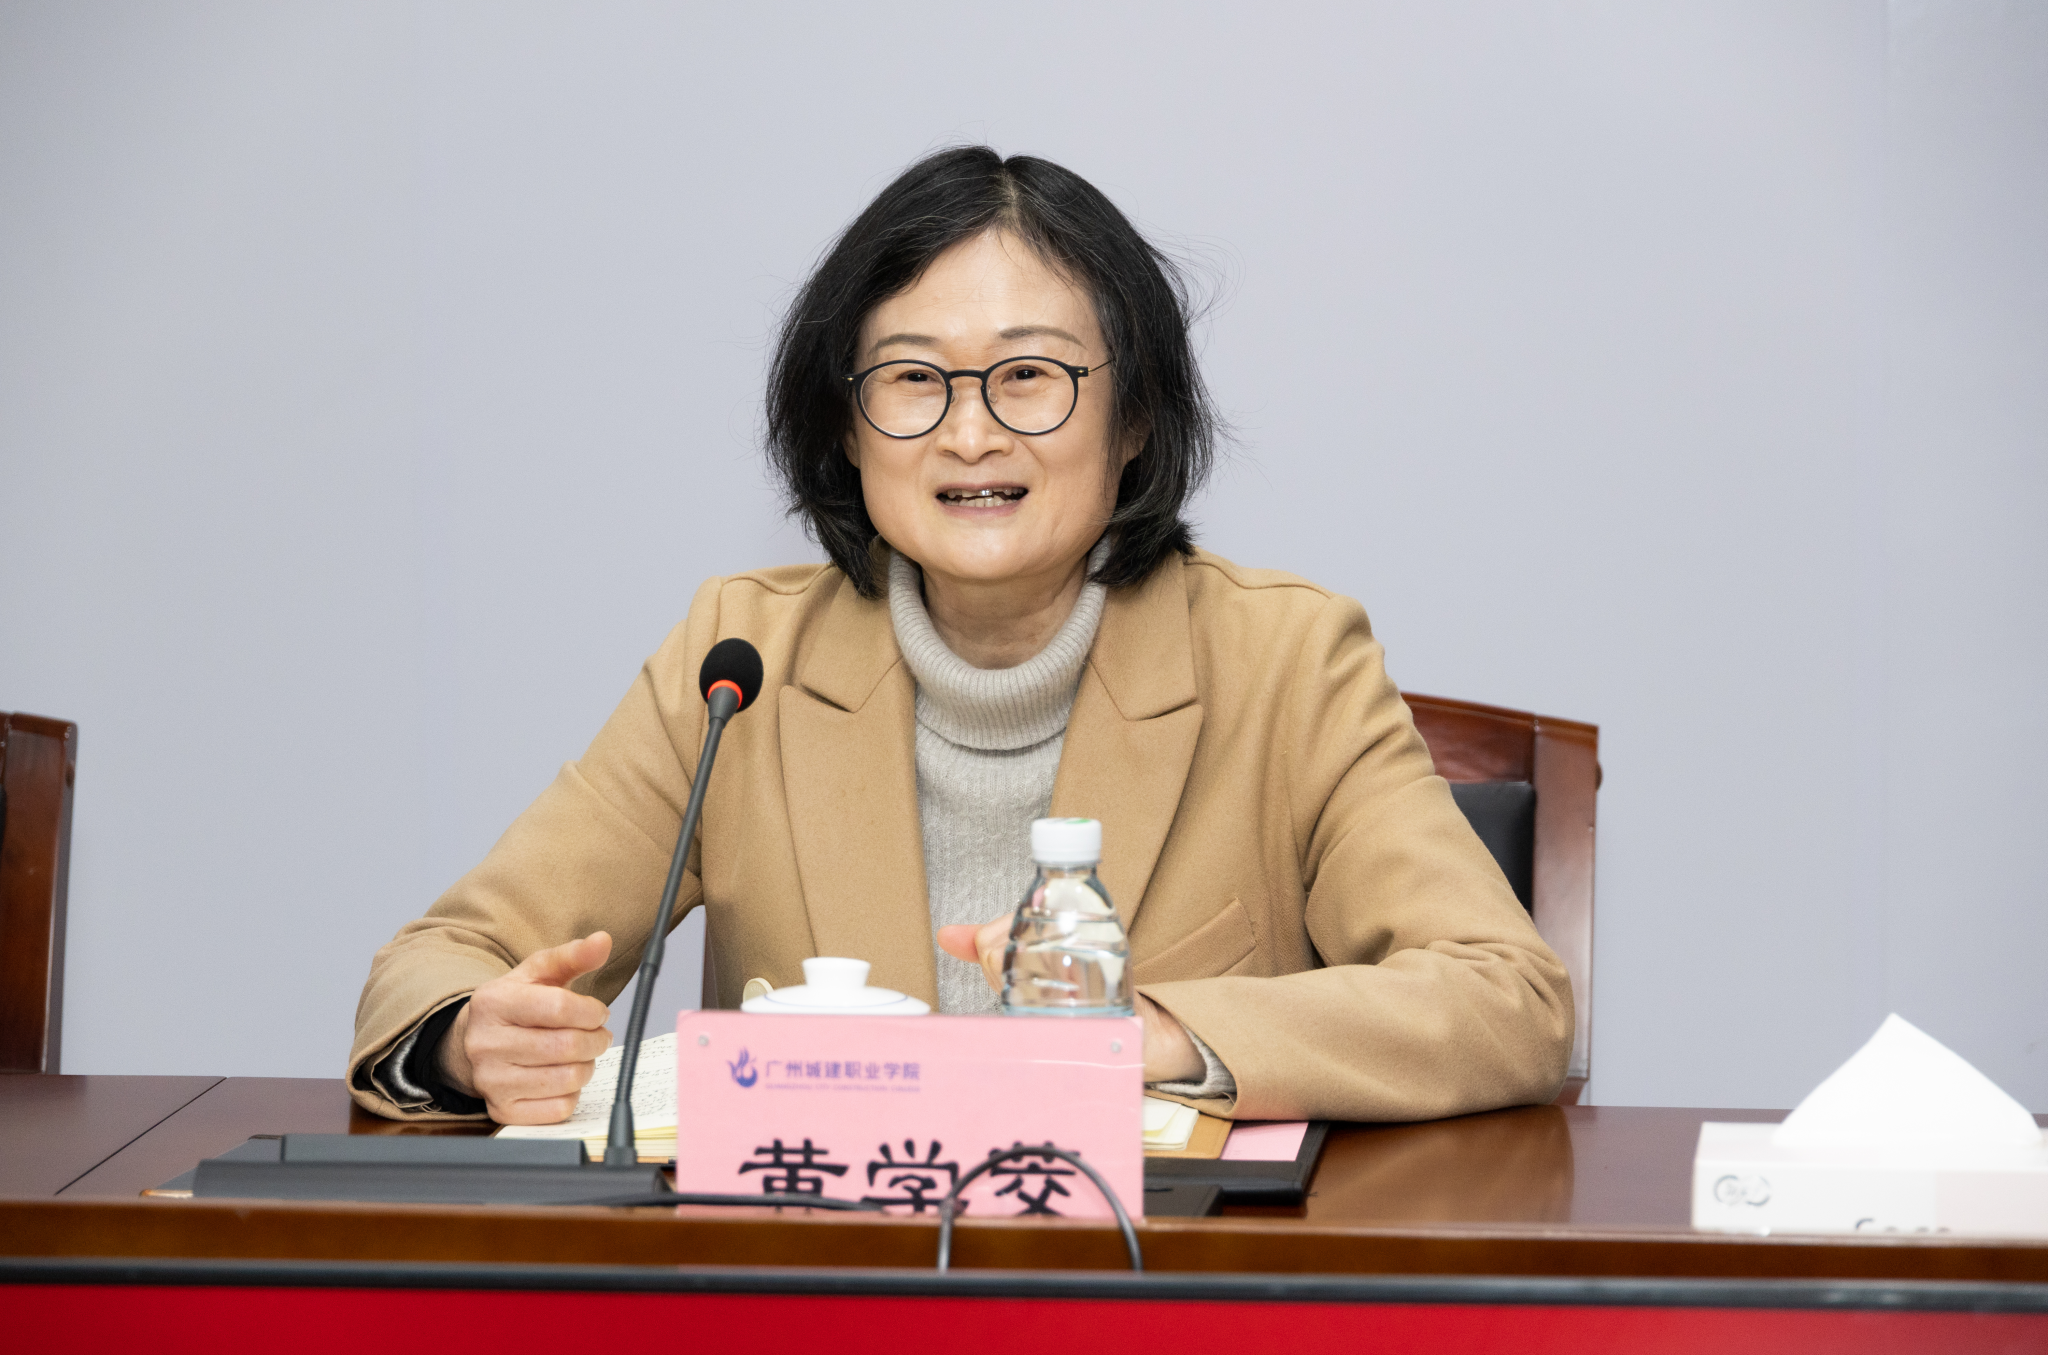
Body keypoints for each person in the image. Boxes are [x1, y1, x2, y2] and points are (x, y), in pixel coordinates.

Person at [349, 147, 1573, 1126]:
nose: (969, 434)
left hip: (1149, 1289)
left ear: (1135, 416)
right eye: (912, 379)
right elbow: (444, 958)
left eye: (1028, 375)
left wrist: (1158, 1035)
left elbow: (1505, 998)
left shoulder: (1283, 663)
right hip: (822, 1295)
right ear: (845, 426)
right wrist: (468, 1040)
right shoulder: (739, 663)